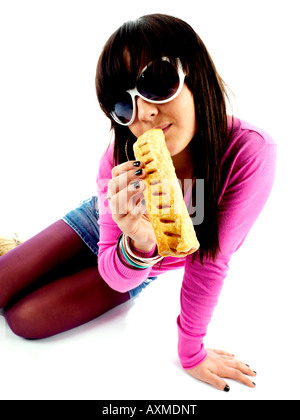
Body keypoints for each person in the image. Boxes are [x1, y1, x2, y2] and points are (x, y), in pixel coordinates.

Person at [0, 14, 276, 392]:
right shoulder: (118, 157)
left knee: (23, 321)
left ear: (195, 72)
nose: (144, 113)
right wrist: (127, 235)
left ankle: (30, 262)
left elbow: (209, 261)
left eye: (157, 83)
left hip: (143, 263)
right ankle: (20, 256)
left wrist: (190, 350)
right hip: (97, 221)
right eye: (124, 105)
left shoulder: (248, 154)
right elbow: (111, 260)